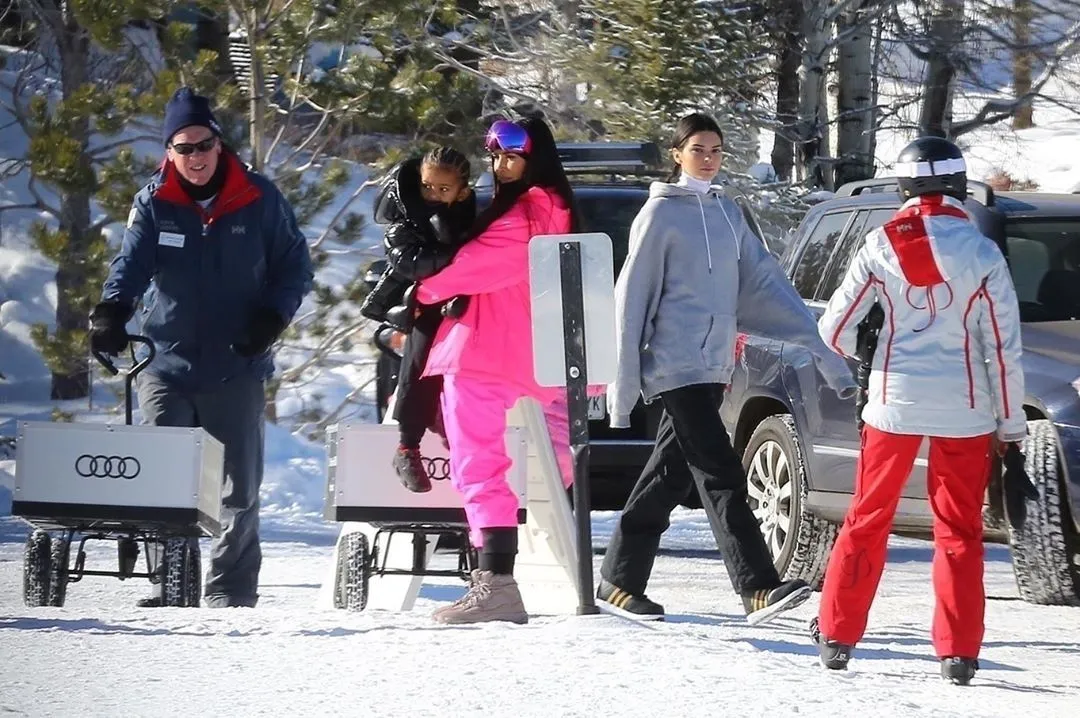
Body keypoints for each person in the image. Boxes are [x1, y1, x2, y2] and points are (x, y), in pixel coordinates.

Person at [601, 112, 858, 624]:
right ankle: (757, 586)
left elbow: (763, 285)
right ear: (677, 154)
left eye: (716, 150)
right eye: (699, 149)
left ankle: (619, 581)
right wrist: (623, 383)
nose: (709, 159)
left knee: (669, 475)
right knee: (721, 474)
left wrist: (818, 345)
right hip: (676, 365)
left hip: (717, 363)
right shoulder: (659, 216)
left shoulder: (726, 214)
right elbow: (632, 299)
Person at [812, 137, 1026, 684]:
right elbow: (1002, 349)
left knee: (867, 520)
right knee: (958, 530)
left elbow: (833, 328)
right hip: (967, 408)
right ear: (958, 185)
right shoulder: (983, 253)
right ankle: (958, 653)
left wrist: (876, 351)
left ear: (905, 187)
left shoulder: (880, 243)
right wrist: (1011, 424)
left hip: (893, 403)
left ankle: (837, 635)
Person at [89, 87, 314, 608]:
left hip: (237, 361)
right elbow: (131, 264)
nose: (196, 157)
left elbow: (293, 266)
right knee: (168, 479)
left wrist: (271, 317)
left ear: (219, 143)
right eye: (183, 147)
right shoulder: (155, 200)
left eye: (204, 144)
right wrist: (111, 311)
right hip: (165, 360)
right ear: (169, 152)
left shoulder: (259, 198)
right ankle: (172, 583)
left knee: (238, 487)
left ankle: (231, 591)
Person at [413, 116, 576, 625]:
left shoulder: (525, 214)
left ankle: (496, 583)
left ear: (535, 159)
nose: (501, 168)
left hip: (488, 351)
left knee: (477, 465)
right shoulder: (552, 207)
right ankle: (512, 573)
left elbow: (468, 268)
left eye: (512, 158)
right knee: (546, 467)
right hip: (533, 352)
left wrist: (416, 290)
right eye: (497, 158)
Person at [360, 147, 477, 492]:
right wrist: (457, 259)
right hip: (422, 306)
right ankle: (407, 446)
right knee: (419, 364)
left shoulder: (468, 218)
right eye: (428, 187)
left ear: (462, 192)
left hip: (460, 306)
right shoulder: (403, 223)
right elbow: (410, 265)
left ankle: (455, 437)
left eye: (444, 190)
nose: (434, 196)